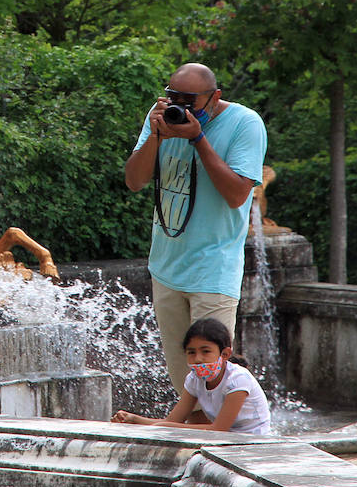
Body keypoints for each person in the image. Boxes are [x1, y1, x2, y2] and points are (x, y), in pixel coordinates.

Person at [124, 62, 267, 393]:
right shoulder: (161, 117)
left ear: (215, 97)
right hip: (166, 269)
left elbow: (236, 195)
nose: (181, 108)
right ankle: (191, 428)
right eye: (174, 97)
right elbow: (134, 180)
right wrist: (155, 136)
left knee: (212, 379)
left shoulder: (245, 123)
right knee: (184, 384)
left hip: (213, 272)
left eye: (190, 101)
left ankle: (225, 429)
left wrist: (198, 139)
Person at [111, 318, 271, 434]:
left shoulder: (237, 380)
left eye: (206, 351)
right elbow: (172, 421)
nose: (198, 359)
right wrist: (134, 420)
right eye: (191, 352)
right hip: (226, 441)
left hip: (252, 442)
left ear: (225, 354)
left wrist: (170, 428)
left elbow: (219, 429)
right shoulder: (194, 380)